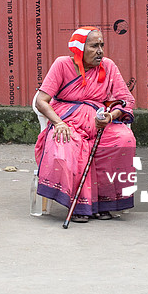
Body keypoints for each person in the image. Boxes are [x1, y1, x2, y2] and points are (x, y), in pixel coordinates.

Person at [34, 27, 136, 223]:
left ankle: (104, 203)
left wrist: (110, 116)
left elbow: (126, 101)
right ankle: (79, 204)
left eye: (102, 45)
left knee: (124, 139)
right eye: (94, 46)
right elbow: (41, 100)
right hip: (68, 121)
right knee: (67, 142)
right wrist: (58, 123)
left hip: (99, 123)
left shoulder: (109, 66)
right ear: (80, 49)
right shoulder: (62, 65)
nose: (100, 51)